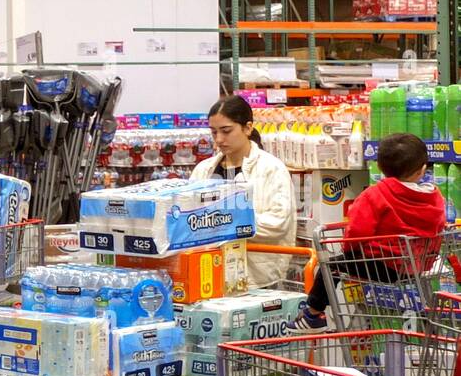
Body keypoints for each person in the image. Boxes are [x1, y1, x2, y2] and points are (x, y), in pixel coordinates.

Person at [294, 133, 445, 331]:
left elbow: (357, 230)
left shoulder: (376, 194)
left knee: (330, 267)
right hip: (416, 265)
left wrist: (349, 252)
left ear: (380, 167)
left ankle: (313, 315)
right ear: (422, 170)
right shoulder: (433, 197)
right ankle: (428, 327)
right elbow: (439, 226)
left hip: (383, 266)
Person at [191, 95, 295, 288]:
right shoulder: (204, 170)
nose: (219, 139)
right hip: (210, 273)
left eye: (226, 131)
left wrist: (225, 223)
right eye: (214, 133)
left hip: (259, 278)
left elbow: (278, 223)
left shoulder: (271, 169)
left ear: (247, 128)